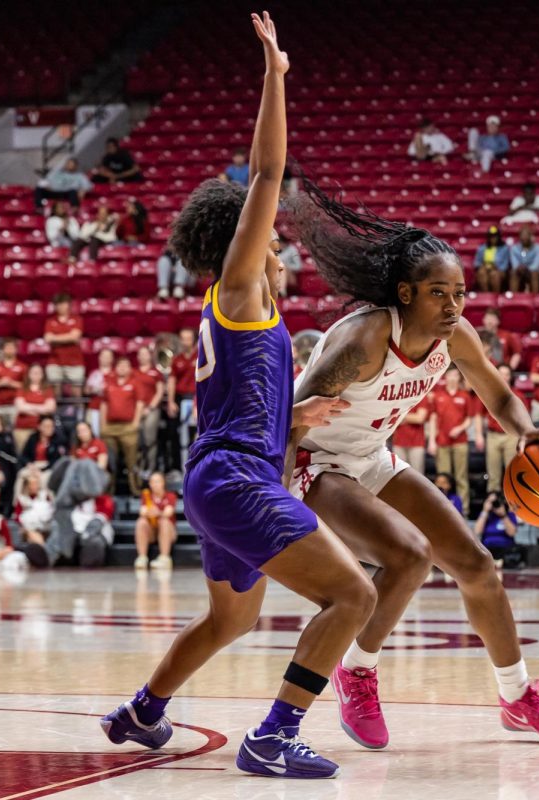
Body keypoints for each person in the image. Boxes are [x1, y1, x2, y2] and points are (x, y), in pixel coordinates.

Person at [101, 15, 373, 780]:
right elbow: (266, 174)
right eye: (270, 241)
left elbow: (242, 411)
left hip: (222, 474)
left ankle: (143, 711)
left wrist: (294, 422)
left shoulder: (245, 318)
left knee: (233, 616)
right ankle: (272, 737)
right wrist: (275, 76)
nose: (281, 249)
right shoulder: (241, 290)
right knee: (352, 595)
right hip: (233, 481)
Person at [287, 169, 539, 752]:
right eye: (439, 294)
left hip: (369, 458)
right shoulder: (365, 340)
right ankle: (356, 671)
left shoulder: (455, 336)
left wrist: (526, 432)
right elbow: (285, 416)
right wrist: (266, 501)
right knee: (409, 557)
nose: (453, 306)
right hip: (313, 462)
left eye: (460, 294)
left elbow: (497, 395)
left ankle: (518, 696)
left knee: (476, 564)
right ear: (406, 294)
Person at [427, 367, 479, 515]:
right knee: (442, 478)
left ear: (459, 378)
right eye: (450, 374)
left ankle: (464, 511)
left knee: (461, 477)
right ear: (445, 377)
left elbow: (469, 419)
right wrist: (432, 440)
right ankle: (441, 511)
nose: (452, 377)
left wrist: (460, 428)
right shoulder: (438, 395)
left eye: (455, 375)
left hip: (460, 441)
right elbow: (433, 418)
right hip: (442, 441)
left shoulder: (465, 396)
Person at [100, 357, 144, 496]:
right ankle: (108, 491)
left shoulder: (135, 382)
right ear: (115, 368)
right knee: (109, 462)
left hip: (128, 428)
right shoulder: (109, 383)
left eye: (126, 365)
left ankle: (136, 490)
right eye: (120, 365)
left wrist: (136, 423)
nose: (123, 368)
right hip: (110, 428)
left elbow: (140, 403)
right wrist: (103, 425)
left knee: (132, 461)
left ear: (130, 368)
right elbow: (103, 404)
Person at [484, 365, 525, 493]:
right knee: (493, 474)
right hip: (493, 435)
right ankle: (492, 503)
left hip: (511, 436)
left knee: (512, 471)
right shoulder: (487, 393)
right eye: (500, 373)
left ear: (510, 377)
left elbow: (524, 418)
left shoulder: (518, 395)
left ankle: (513, 505)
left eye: (506, 374)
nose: (503, 377)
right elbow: (480, 415)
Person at [167, 327, 198, 464]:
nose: (185, 342)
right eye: (183, 339)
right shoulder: (176, 359)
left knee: (195, 435)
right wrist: (170, 402)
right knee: (176, 434)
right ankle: (177, 466)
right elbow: (172, 380)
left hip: (197, 400)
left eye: (188, 339)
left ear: (193, 340)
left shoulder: (200, 357)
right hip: (180, 399)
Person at [135, 471, 177, 570]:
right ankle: (142, 558)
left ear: (163, 483)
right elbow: (142, 511)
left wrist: (158, 513)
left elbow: (168, 512)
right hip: (152, 531)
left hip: (168, 532)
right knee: (141, 521)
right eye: (152, 482)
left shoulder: (170, 496)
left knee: (164, 521)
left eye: (157, 481)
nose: (155, 484)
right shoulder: (146, 496)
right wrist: (148, 513)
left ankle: (164, 558)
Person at [44, 293, 85, 394]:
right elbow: (48, 338)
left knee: (76, 392)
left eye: (63, 303)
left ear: (69, 304)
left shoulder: (77, 319)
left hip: (75, 361)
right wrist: (68, 337)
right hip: (55, 361)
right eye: (58, 304)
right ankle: (56, 410)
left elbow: (75, 337)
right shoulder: (50, 321)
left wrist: (56, 338)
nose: (61, 306)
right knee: (54, 391)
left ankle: (78, 410)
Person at [134, 346, 165, 474]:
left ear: (150, 356)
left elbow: (160, 391)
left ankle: (150, 468)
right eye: (140, 354)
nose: (143, 356)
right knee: (136, 439)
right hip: (136, 410)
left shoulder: (155, 372)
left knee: (149, 439)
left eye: (145, 354)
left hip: (151, 409)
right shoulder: (133, 372)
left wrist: (150, 407)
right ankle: (139, 466)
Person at [13, 363, 57, 455]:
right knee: (23, 454)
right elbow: (20, 407)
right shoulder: (22, 388)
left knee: (40, 454)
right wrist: (41, 409)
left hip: (42, 431)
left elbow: (51, 408)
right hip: (23, 427)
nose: (36, 375)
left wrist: (28, 407)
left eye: (39, 373)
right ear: (29, 374)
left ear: (43, 375)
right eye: (34, 372)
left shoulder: (47, 389)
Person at [0, 338, 25, 428]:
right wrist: (0, 383)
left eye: (12, 348)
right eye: (7, 347)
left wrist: (12, 383)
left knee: (19, 422)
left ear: (16, 350)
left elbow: (28, 386)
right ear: (3, 350)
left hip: (15, 405)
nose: (10, 350)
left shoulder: (22, 366)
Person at [476, 490, 521, 567]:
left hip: (505, 549)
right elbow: (477, 531)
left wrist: (503, 516)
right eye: (490, 502)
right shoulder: (486, 515)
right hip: (488, 549)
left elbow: (512, 533)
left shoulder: (509, 514)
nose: (493, 505)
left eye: (495, 502)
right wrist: (485, 511)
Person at [390, 396, 429, 476]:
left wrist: (400, 416)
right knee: (398, 474)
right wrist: (411, 417)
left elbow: (420, 418)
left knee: (417, 475)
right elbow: (390, 416)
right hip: (398, 441)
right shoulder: (398, 397)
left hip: (416, 442)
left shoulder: (421, 397)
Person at [14, 473, 54, 547]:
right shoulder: (21, 499)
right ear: (26, 486)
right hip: (28, 528)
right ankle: (43, 548)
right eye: (32, 484)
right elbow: (17, 517)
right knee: (31, 534)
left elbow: (51, 511)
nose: (35, 486)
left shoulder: (45, 495)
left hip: (45, 526)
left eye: (36, 483)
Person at [84, 347, 116, 436]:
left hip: (111, 409)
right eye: (103, 356)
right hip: (94, 407)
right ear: (99, 358)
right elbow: (86, 390)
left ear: (112, 359)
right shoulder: (94, 373)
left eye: (108, 356)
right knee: (93, 434)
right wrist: (94, 389)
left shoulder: (116, 374)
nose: (105, 358)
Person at [473, 225, 511, 293]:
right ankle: (487, 295)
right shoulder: (482, 248)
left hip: (499, 270)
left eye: (495, 236)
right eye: (491, 236)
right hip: (485, 268)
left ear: (498, 237)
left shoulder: (504, 248)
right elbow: (477, 263)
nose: (493, 238)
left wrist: (495, 267)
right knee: (481, 273)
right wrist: (483, 266)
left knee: (494, 274)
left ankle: (495, 296)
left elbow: (505, 265)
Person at [508, 225, 539, 293]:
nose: (524, 237)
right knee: (513, 272)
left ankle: (535, 299)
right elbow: (514, 264)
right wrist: (519, 268)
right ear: (519, 237)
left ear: (531, 236)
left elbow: (537, 264)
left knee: (534, 274)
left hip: (533, 271)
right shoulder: (514, 248)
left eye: (527, 235)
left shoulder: (537, 248)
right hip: (519, 271)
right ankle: (513, 299)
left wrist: (527, 269)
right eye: (523, 235)